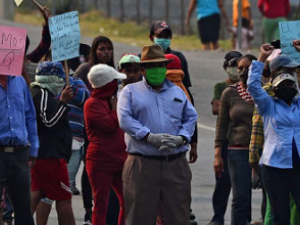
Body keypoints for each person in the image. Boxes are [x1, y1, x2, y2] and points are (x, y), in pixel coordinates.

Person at [117, 45, 198, 225]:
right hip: (142, 164)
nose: (157, 70)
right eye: (152, 67)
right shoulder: (130, 92)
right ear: (143, 70)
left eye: (160, 66)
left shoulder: (177, 92)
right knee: (139, 217)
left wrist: (182, 138)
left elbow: (191, 117)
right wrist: (148, 136)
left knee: (178, 217)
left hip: (175, 163)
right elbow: (125, 120)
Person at [248, 43, 300, 225]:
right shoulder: (267, 105)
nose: (287, 87)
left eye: (290, 83)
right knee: (280, 215)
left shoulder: (298, 104)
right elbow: (253, 85)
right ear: (274, 88)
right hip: (274, 168)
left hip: (297, 167)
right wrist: (261, 58)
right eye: (282, 84)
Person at [74, 36, 120, 225]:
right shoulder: (86, 70)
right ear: (94, 51)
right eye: (102, 49)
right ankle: (87, 210)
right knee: (89, 170)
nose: (106, 52)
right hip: (91, 124)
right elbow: (78, 91)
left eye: (109, 49)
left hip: (112, 128)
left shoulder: (114, 72)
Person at [148, 20, 198, 173]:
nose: (164, 38)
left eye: (167, 35)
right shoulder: (144, 57)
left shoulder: (178, 58)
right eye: (160, 35)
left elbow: (188, 101)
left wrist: (193, 142)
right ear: (151, 37)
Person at [30, 61, 75, 225]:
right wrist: (63, 102)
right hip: (49, 156)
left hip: (44, 154)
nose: (62, 82)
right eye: (60, 78)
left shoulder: (43, 94)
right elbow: (48, 122)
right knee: (64, 197)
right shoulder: (41, 94)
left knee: (37, 192)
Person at [214, 54, 257, 225]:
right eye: (241, 68)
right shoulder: (229, 93)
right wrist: (218, 155)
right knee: (240, 198)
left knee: (270, 198)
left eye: (249, 68)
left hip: (264, 151)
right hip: (238, 151)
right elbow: (221, 125)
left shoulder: (265, 91)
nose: (244, 71)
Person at [84, 64, 128, 225]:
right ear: (106, 84)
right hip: (100, 161)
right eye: (114, 81)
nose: (117, 84)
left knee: (127, 201)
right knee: (101, 205)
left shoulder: (112, 100)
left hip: (119, 159)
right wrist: (116, 107)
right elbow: (110, 125)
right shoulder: (92, 103)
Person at [0, 70, 39, 225]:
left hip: (19, 153)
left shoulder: (20, 81)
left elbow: (29, 115)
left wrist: (34, 146)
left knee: (23, 209)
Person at [208, 51, 242, 225]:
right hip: (226, 139)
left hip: (243, 140)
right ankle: (218, 217)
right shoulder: (221, 87)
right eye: (233, 65)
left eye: (240, 65)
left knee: (243, 185)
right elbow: (216, 109)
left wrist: (227, 106)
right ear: (225, 67)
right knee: (223, 181)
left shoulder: (249, 86)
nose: (236, 69)